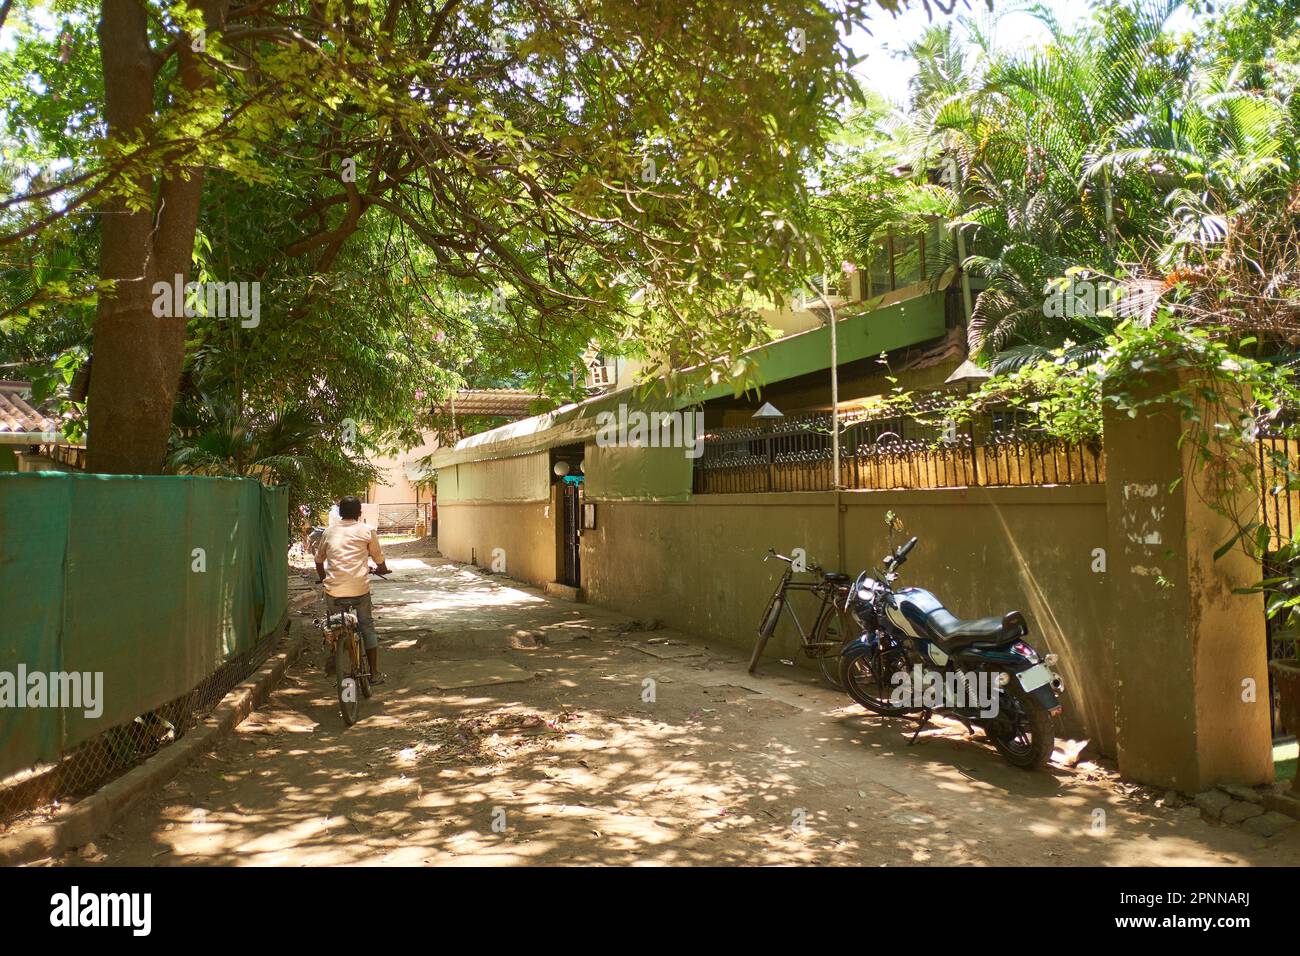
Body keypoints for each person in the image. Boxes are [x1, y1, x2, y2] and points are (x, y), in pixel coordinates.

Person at [314, 496, 388, 685]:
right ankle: (374, 674)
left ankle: (334, 659)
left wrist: (324, 580)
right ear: (359, 513)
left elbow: (318, 560)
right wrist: (381, 569)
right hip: (359, 590)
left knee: (335, 624)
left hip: (334, 591)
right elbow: (378, 558)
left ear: (339, 513)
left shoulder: (329, 532)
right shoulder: (367, 530)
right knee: (367, 626)